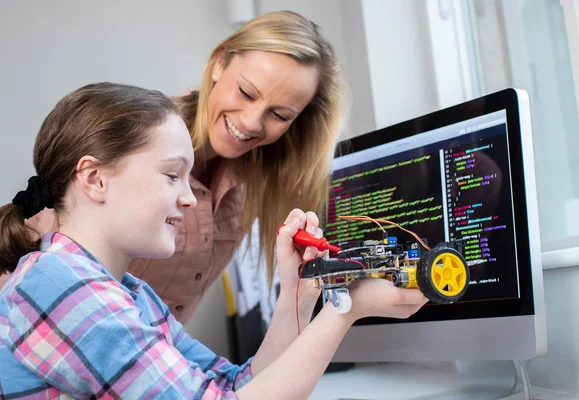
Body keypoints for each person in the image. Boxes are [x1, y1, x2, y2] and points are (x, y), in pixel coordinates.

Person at [0, 83, 426, 399]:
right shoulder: (59, 283)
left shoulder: (132, 295)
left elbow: (235, 384)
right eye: (171, 175)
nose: (188, 198)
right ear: (94, 179)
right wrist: (344, 311)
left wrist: (298, 292)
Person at [1, 10, 349, 325]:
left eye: (280, 115)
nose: (253, 122)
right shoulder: (135, 142)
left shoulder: (255, 177)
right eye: (245, 92)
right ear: (219, 63)